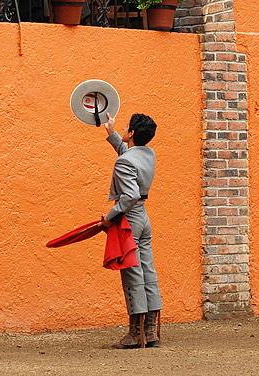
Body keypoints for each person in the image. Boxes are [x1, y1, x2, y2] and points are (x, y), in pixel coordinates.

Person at [99, 112, 162, 349]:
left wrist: (109, 218)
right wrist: (112, 132)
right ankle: (151, 332)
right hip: (144, 217)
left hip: (131, 218)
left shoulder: (125, 161)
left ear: (132, 133)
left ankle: (135, 334)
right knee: (148, 271)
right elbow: (129, 157)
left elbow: (129, 196)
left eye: (126, 128)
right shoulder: (148, 154)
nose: (124, 129)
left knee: (132, 272)